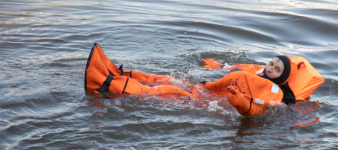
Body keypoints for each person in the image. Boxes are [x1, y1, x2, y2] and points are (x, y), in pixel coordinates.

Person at [84, 43, 324, 116]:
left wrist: (241, 103)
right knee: (162, 79)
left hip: (206, 101)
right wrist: (216, 64)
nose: (270, 67)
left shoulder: (277, 93)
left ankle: (102, 82)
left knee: (165, 91)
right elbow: (235, 67)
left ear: (281, 76)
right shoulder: (259, 70)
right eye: (271, 62)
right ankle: (115, 71)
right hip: (205, 87)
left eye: (276, 68)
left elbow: (265, 107)